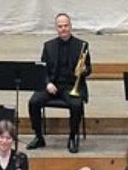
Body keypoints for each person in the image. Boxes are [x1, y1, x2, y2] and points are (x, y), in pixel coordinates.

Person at [27, 13, 90, 154]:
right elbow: (43, 70)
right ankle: (38, 136)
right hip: (52, 85)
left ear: (71, 26)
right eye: (60, 26)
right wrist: (48, 83)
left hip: (72, 86)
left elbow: (89, 69)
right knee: (33, 102)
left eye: (66, 25)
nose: (63, 29)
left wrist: (84, 70)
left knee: (76, 105)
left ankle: (73, 137)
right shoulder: (48, 46)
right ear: (56, 28)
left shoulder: (82, 45)